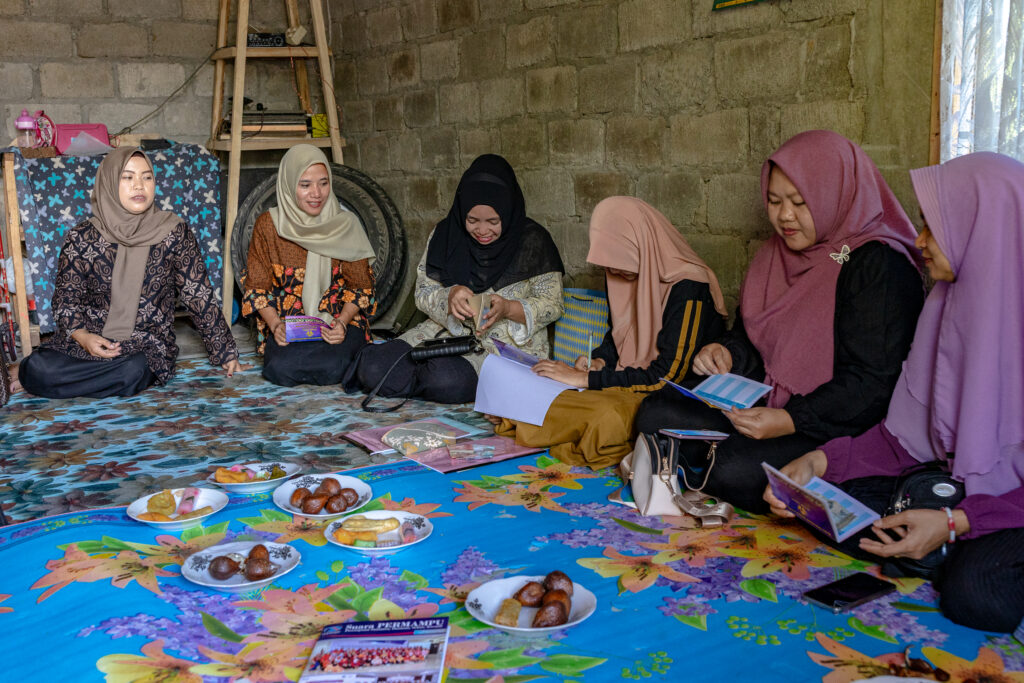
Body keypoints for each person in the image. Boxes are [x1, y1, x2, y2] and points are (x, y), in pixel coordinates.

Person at [764, 152, 1024, 633]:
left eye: (933, 227)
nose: (919, 242)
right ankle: (932, 548)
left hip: (1013, 502)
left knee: (978, 596)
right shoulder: (948, 306)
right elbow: (904, 439)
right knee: (830, 505)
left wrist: (954, 524)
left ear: (983, 228)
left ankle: (943, 549)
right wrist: (820, 462)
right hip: (957, 486)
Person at [635, 130, 925, 512]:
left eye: (800, 203)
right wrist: (727, 352)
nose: (784, 216)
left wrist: (790, 419)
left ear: (834, 197)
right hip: (765, 406)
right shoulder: (776, 255)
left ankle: (702, 468)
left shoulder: (877, 266)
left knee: (733, 468)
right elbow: (753, 337)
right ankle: (701, 466)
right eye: (774, 201)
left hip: (836, 426)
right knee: (656, 410)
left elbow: (871, 386)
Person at [494, 197, 727, 468]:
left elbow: (666, 376)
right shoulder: (623, 271)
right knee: (549, 390)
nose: (613, 271)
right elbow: (619, 336)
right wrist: (599, 360)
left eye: (618, 260)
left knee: (605, 418)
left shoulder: (689, 286)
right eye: (607, 264)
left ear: (643, 244)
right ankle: (516, 414)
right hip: (622, 380)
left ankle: (532, 422)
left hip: (662, 393)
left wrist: (586, 379)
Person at [16, 147, 245, 398]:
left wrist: (225, 351)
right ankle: (59, 376)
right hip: (90, 337)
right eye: (128, 177)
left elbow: (198, 295)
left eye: (147, 177)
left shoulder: (173, 233)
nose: (139, 185)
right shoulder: (82, 237)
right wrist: (84, 337)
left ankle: (74, 381)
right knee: (37, 369)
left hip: (144, 344)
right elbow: (65, 301)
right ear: (110, 182)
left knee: (132, 371)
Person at [356, 154, 564, 403]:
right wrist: (450, 295)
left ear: (508, 213)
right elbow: (423, 292)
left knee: (446, 381)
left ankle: (421, 378)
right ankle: (423, 377)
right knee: (372, 367)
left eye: (493, 221)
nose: (483, 231)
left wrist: (508, 308)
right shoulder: (446, 234)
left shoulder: (534, 242)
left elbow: (553, 304)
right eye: (472, 220)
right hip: (443, 335)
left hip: (500, 345)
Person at [242, 145, 376, 387]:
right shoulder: (268, 226)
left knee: (336, 365)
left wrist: (342, 323)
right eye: (305, 185)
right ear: (289, 184)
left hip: (337, 319)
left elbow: (361, 287)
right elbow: (258, 288)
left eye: (323, 183)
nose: (317, 193)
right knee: (280, 368)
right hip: (289, 322)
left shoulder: (346, 224)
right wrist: (276, 326)